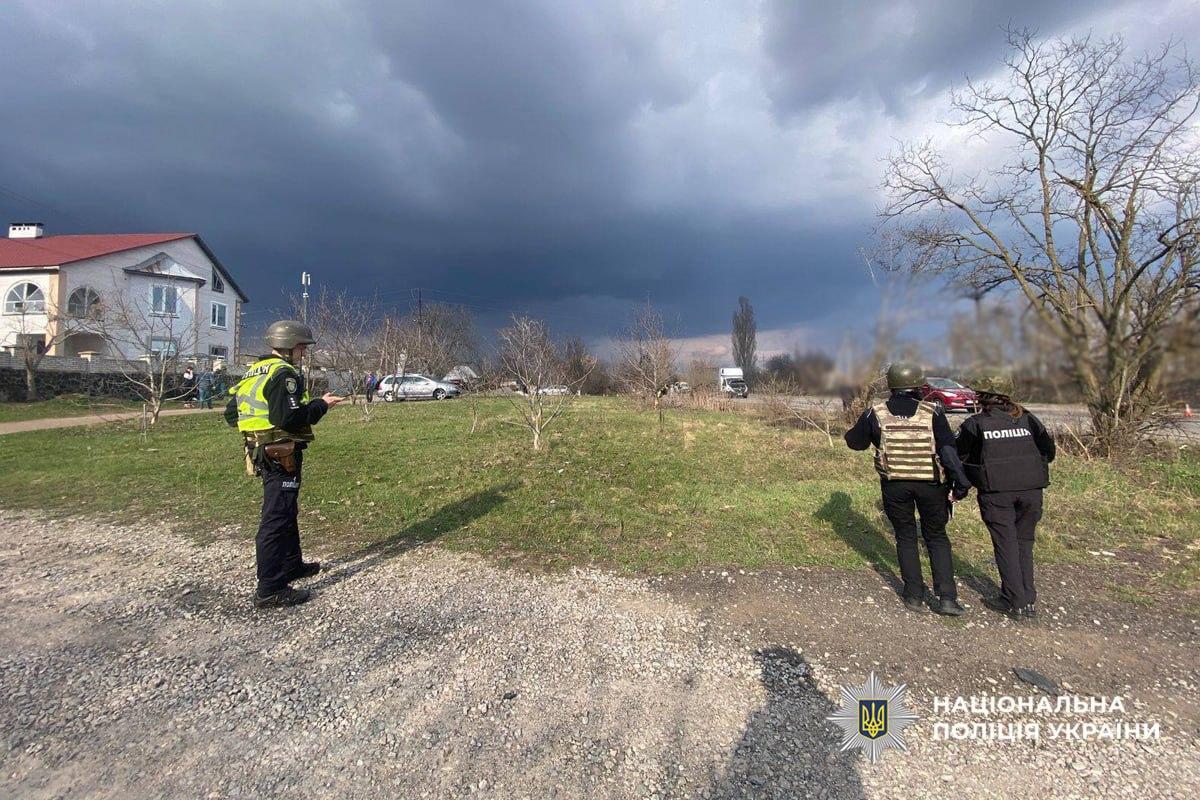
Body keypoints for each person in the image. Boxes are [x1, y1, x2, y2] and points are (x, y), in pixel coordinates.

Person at [225, 320, 344, 608]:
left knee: (287, 509)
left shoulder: (255, 371)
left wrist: (256, 431)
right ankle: (270, 588)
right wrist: (321, 405)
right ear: (289, 346)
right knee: (276, 517)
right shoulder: (284, 374)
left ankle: (292, 564)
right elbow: (289, 418)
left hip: (262, 450)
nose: (304, 353)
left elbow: (231, 413)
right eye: (302, 347)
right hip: (280, 453)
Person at [843, 362, 972, 615]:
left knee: (905, 536)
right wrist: (960, 483)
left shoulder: (875, 413)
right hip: (932, 485)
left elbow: (855, 443)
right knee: (936, 537)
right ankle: (947, 598)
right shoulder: (932, 412)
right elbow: (948, 450)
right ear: (918, 385)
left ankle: (913, 595)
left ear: (891, 385)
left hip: (895, 485)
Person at [956, 374, 1056, 619]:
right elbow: (1049, 451)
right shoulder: (1028, 418)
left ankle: (1014, 601)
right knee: (1024, 543)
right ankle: (1028, 599)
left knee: (1006, 544)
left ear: (983, 397)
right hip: (1032, 491)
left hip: (997, 493)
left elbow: (960, 455)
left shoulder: (976, 423)